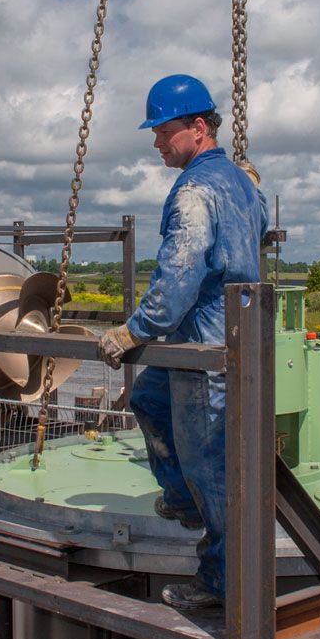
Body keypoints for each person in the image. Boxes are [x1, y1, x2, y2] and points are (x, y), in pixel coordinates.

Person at [98, 73, 268, 611]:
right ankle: (183, 501)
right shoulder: (241, 182)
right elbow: (257, 226)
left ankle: (221, 579)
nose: (155, 143)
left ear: (199, 128)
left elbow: (178, 277)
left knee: (210, 466)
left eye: (163, 131)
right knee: (147, 398)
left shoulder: (195, 190)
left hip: (204, 347)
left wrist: (134, 331)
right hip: (220, 335)